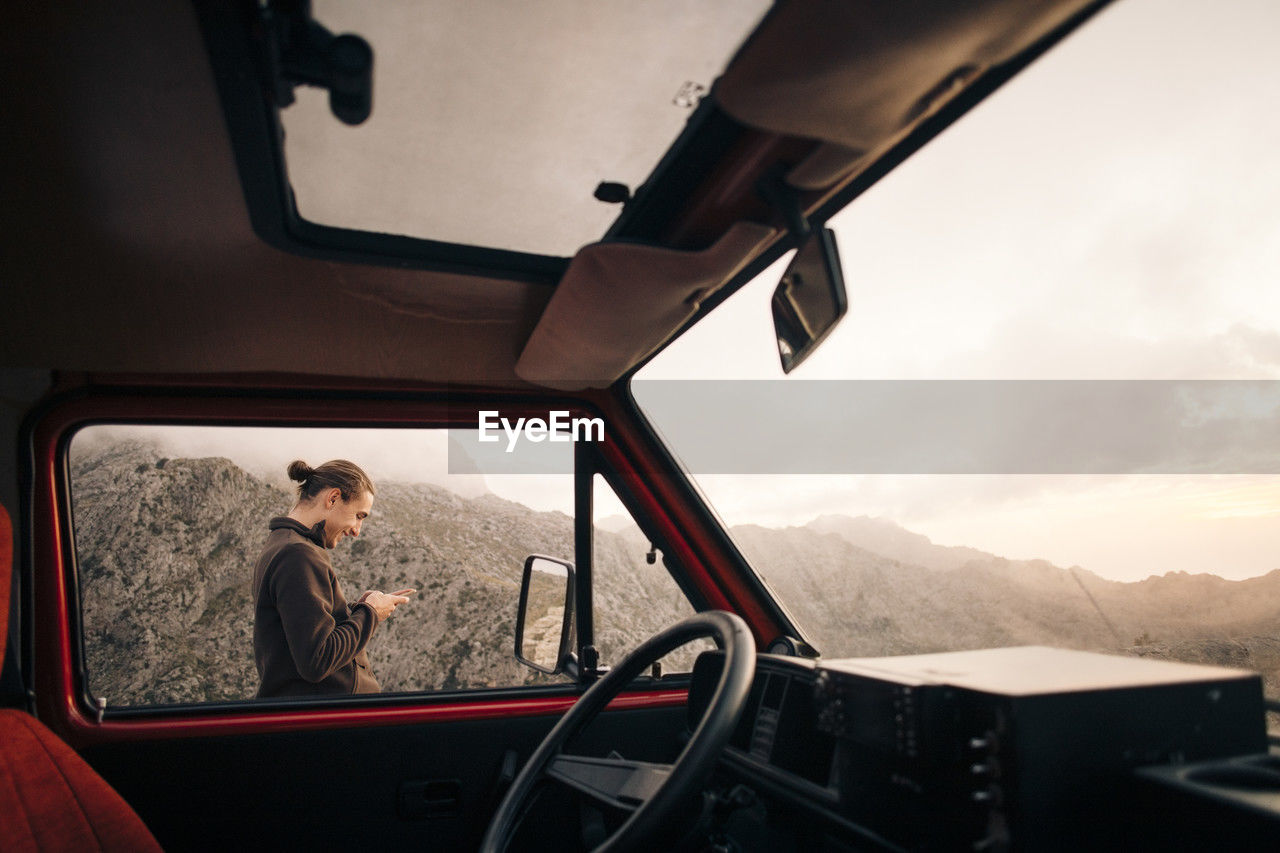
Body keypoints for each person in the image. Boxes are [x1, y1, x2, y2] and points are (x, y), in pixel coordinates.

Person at [252, 458, 414, 698]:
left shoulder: (285, 545)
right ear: (333, 498)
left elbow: (307, 629)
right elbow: (318, 659)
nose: (357, 530)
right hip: (328, 718)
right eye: (359, 515)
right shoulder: (298, 554)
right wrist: (370, 614)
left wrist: (360, 610)